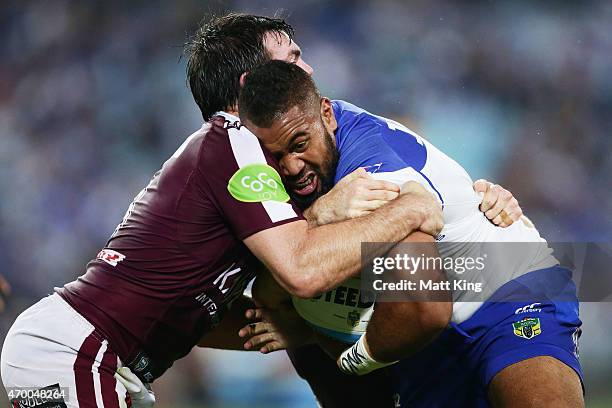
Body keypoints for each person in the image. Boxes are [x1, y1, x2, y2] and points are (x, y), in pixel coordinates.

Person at [0, 13, 523, 408]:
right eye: (292, 59)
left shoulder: (263, 168)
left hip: (103, 358)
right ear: (254, 85)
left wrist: (470, 202)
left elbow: (206, 309)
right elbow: (301, 270)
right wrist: (412, 207)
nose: (309, 68)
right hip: (77, 351)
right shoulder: (230, 145)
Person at [236, 60, 584, 408]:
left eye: (300, 145)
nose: (292, 166)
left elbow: (424, 306)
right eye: (275, 155)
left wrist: (357, 358)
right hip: (418, 340)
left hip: (503, 293)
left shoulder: (371, 180)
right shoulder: (272, 160)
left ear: (327, 115)